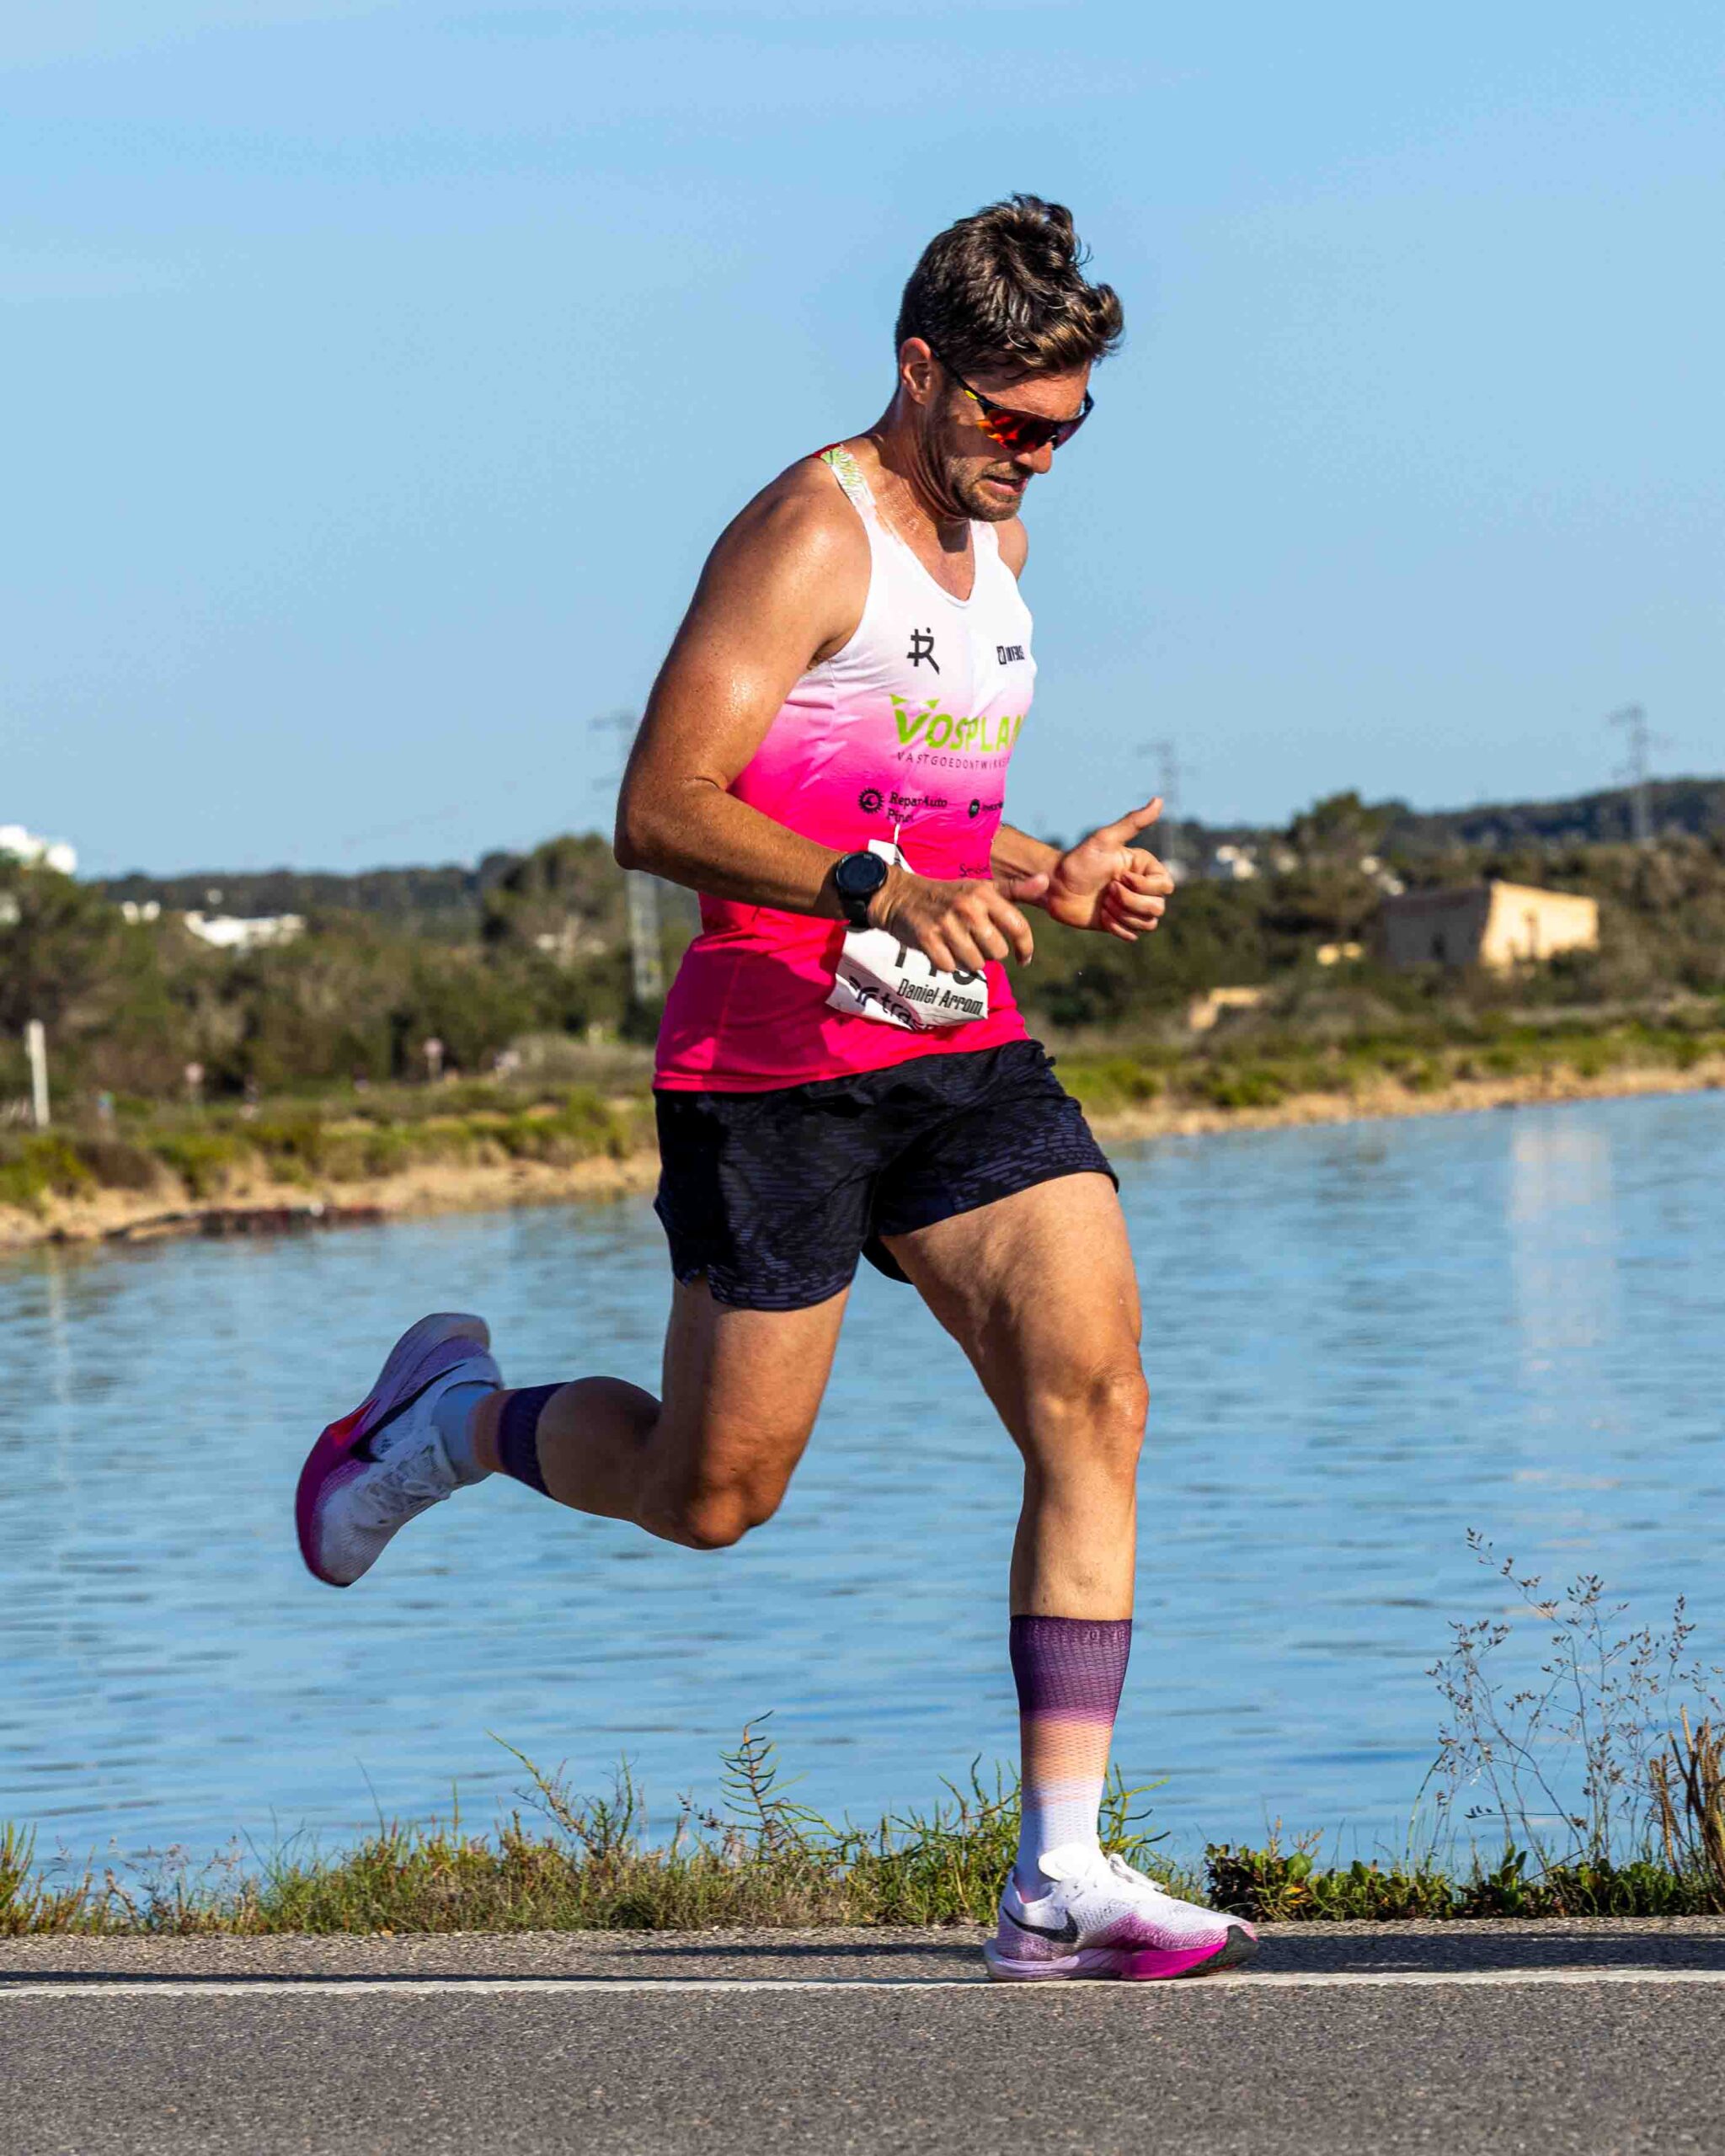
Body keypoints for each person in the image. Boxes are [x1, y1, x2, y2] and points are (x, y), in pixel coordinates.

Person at [296, 195, 1258, 1983]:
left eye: (1068, 430)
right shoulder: (807, 535)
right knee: (711, 1491)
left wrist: (1043, 873)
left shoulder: (998, 538)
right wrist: (880, 892)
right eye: (1015, 422)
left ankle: (1058, 1871)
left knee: (1098, 1395)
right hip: (774, 1067)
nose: (1040, 459)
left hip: (956, 1047)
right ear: (920, 370)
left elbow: (914, 803)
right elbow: (662, 804)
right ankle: (452, 1421)